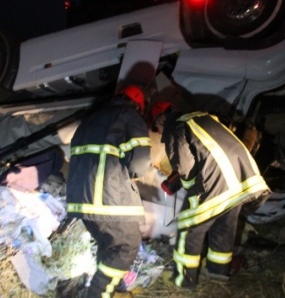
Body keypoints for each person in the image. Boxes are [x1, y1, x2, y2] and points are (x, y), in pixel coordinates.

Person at [148, 101, 271, 288]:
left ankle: (183, 282)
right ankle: (218, 276)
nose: (158, 130)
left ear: (162, 118)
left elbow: (186, 168)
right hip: (241, 180)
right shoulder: (204, 118)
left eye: (156, 126)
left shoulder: (175, 127)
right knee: (223, 227)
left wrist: (189, 189)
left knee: (188, 227)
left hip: (217, 184)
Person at [65, 85, 151, 297]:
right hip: (107, 197)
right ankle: (97, 294)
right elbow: (140, 163)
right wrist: (131, 175)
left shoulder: (90, 119)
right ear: (138, 106)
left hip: (81, 199)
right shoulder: (129, 116)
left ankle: (117, 289)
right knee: (126, 246)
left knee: (109, 246)